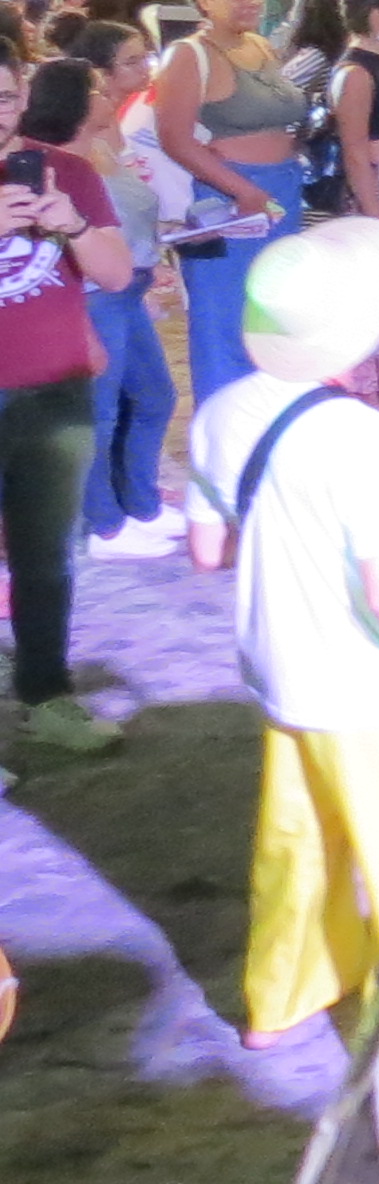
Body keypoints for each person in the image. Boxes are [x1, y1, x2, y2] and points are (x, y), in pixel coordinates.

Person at [186, 219, 379, 1044]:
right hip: (369, 685)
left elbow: (207, 553)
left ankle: (277, 1004)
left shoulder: (219, 413)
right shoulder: (367, 438)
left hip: (280, 671)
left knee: (297, 848)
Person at [0, 55, 138, 766]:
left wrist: (73, 225)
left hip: (54, 392)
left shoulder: (64, 170)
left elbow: (115, 272)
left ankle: (46, 694)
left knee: (47, 557)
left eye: (4, 97)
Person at [149, 0, 308, 400]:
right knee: (226, 320)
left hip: (282, 190)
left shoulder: (260, 44)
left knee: (276, 318)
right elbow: (174, 138)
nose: (250, 2)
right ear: (204, 1)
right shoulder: (189, 54)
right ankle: (226, 437)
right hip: (233, 199)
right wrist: (242, 190)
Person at [31, 60, 176, 555]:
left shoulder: (102, 151)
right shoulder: (48, 169)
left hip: (127, 286)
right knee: (103, 412)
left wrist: (150, 262)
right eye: (95, 88)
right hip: (94, 297)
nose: (106, 93)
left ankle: (140, 503)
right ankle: (105, 524)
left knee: (155, 397)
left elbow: (127, 221)